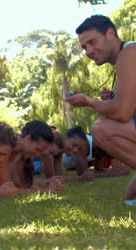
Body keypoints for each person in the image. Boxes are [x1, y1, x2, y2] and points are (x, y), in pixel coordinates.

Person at [65, 15, 135, 202]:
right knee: (131, 193)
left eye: (92, 42)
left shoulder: (129, 53)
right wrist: (113, 99)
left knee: (100, 128)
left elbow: (122, 112)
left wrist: (89, 101)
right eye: (84, 47)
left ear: (110, 33)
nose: (88, 51)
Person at [0, 120, 62, 196]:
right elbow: (7, 188)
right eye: (37, 149)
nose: (37, 154)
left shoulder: (21, 153)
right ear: (28, 139)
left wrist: (44, 183)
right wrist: (45, 191)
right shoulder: (4, 146)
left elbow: (19, 184)